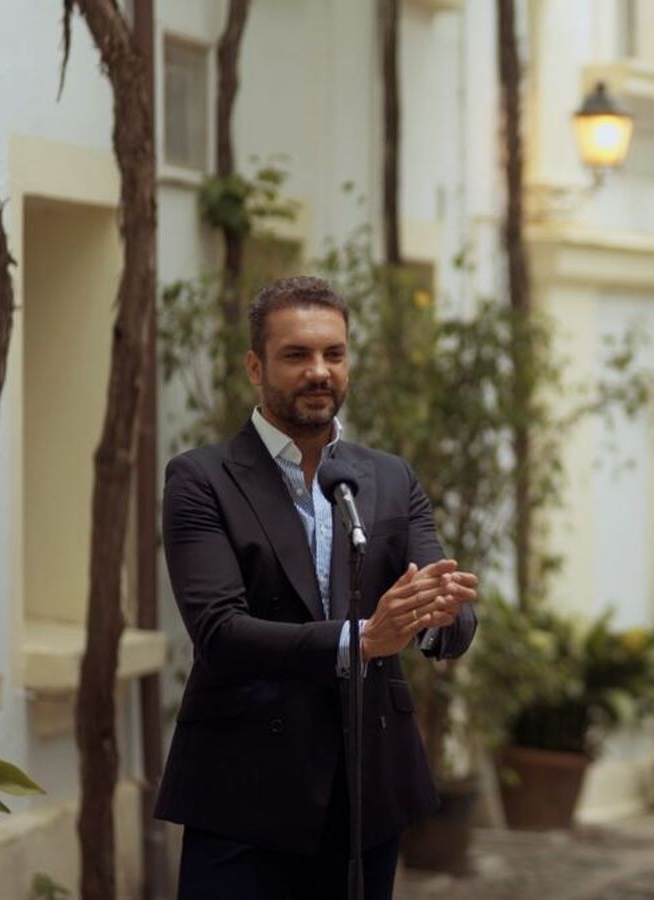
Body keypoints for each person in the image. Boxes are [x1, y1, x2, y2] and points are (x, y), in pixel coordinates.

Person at [157, 276, 480, 899]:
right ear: (255, 366)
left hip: (366, 792)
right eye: (297, 355)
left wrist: (438, 617)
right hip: (244, 793)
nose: (319, 371)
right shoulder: (201, 480)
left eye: (334, 354)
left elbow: (439, 603)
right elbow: (221, 633)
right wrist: (364, 638)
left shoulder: (387, 477)